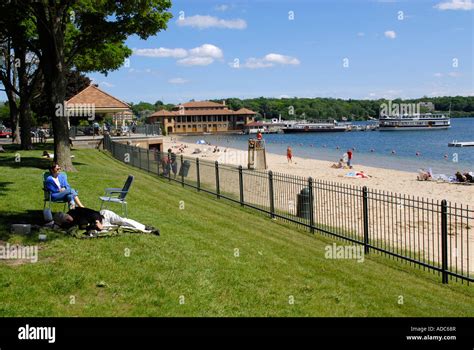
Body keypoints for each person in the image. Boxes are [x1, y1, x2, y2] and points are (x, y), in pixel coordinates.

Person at [56, 207, 159, 235]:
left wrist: (96, 221)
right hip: (101, 226)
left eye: (66, 216)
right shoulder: (71, 223)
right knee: (122, 228)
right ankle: (148, 232)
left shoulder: (76, 211)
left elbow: (91, 212)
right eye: (66, 220)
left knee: (123, 221)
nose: (68, 218)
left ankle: (144, 227)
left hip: (104, 215)